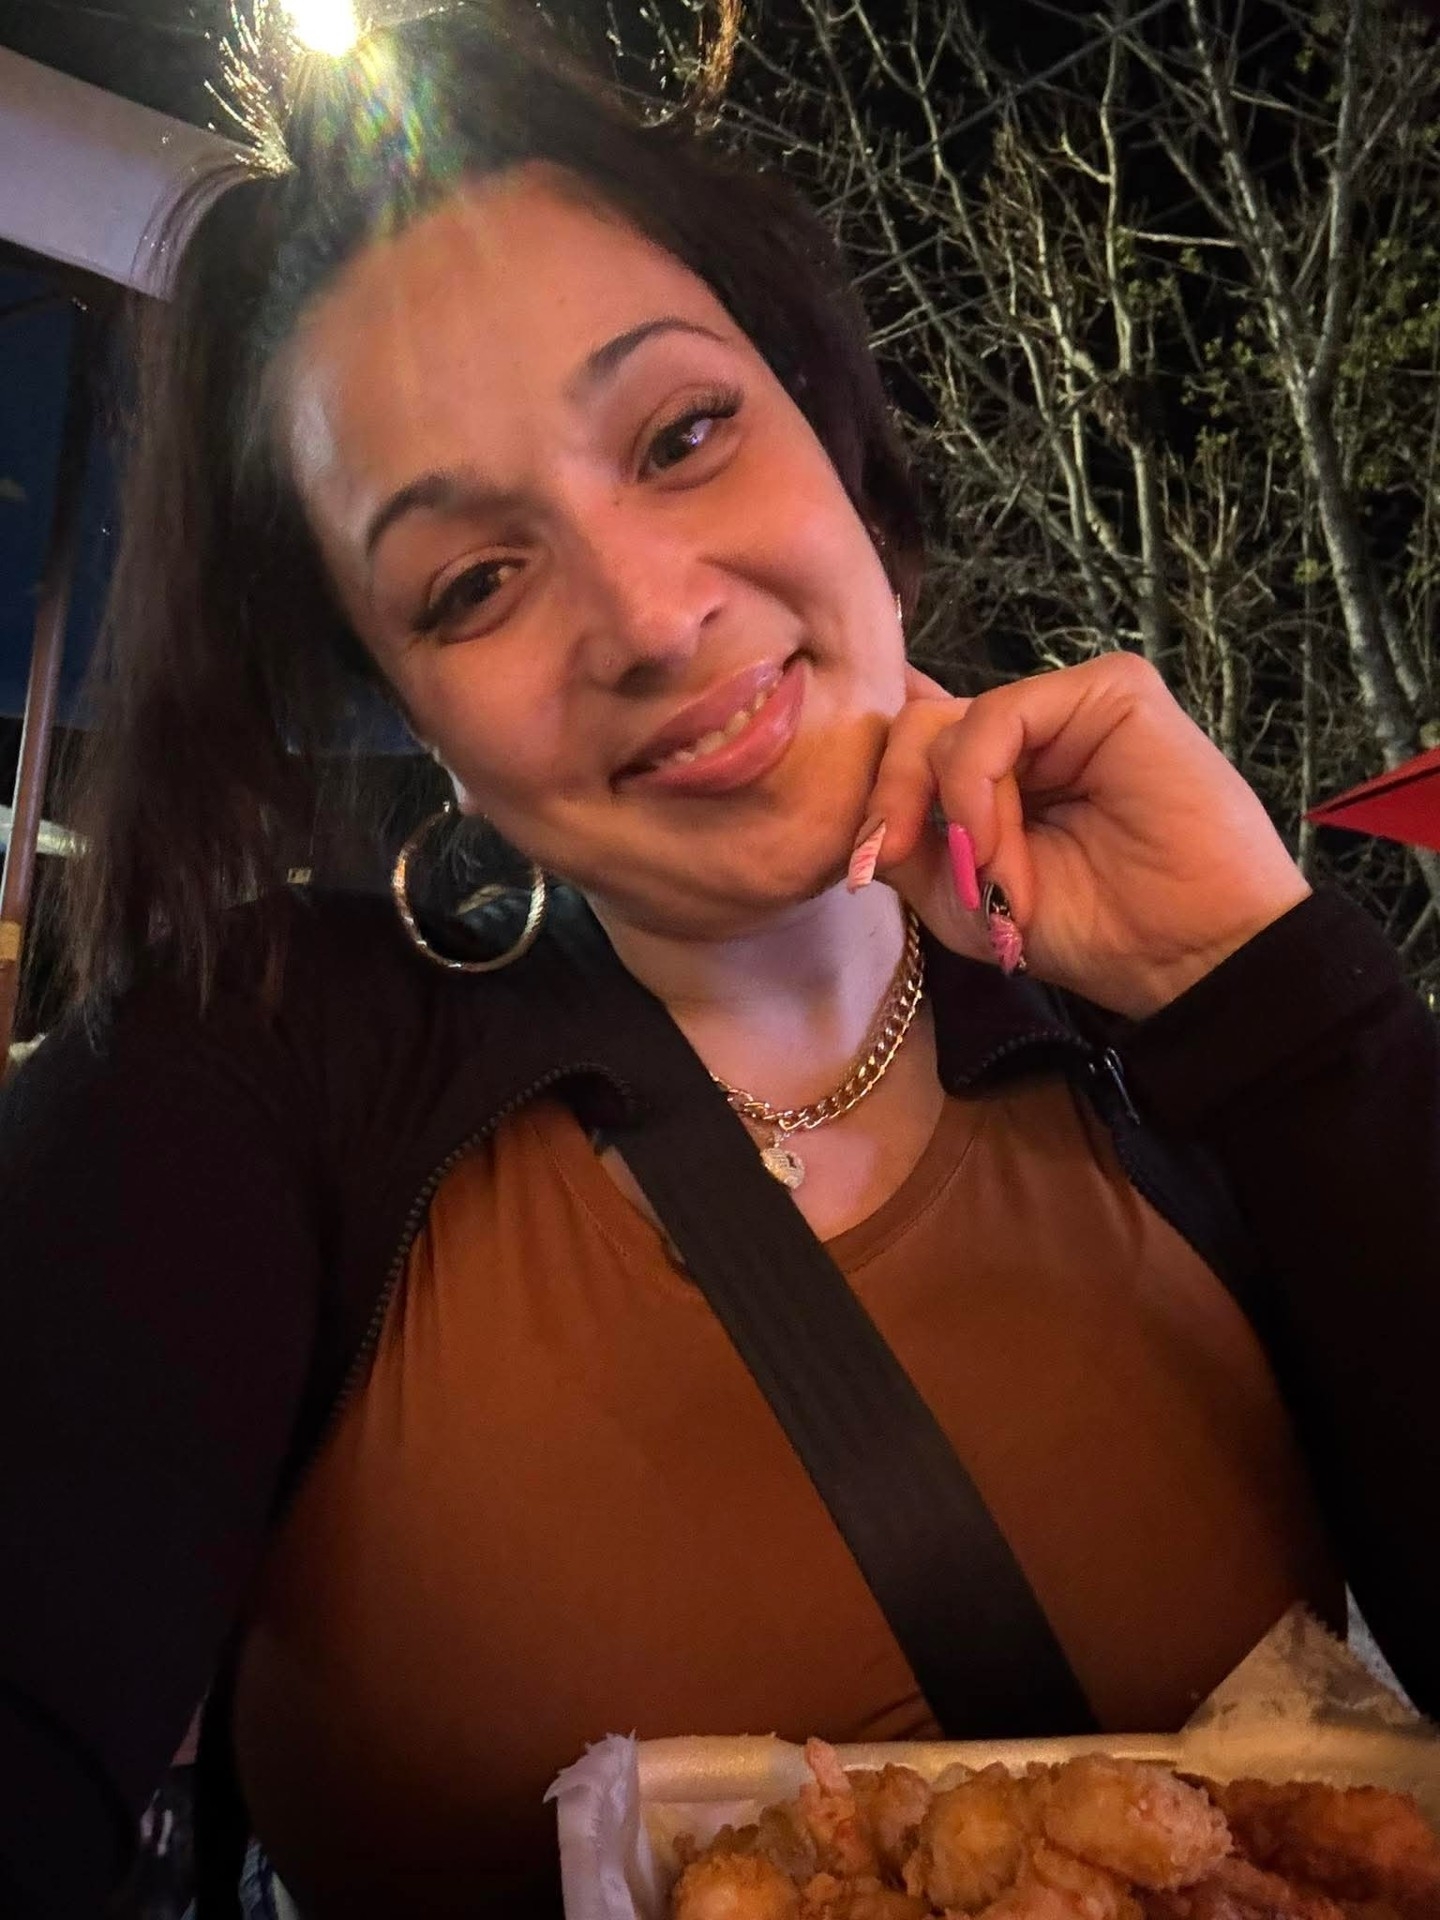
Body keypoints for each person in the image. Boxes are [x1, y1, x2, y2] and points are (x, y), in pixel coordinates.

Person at [2, 9, 1437, 1919]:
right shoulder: (243, 1071)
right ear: (412, 715)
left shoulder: (1162, 1036)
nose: (652, 617)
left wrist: (1279, 996)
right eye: (473, 584)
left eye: (684, 435)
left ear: (834, 433)